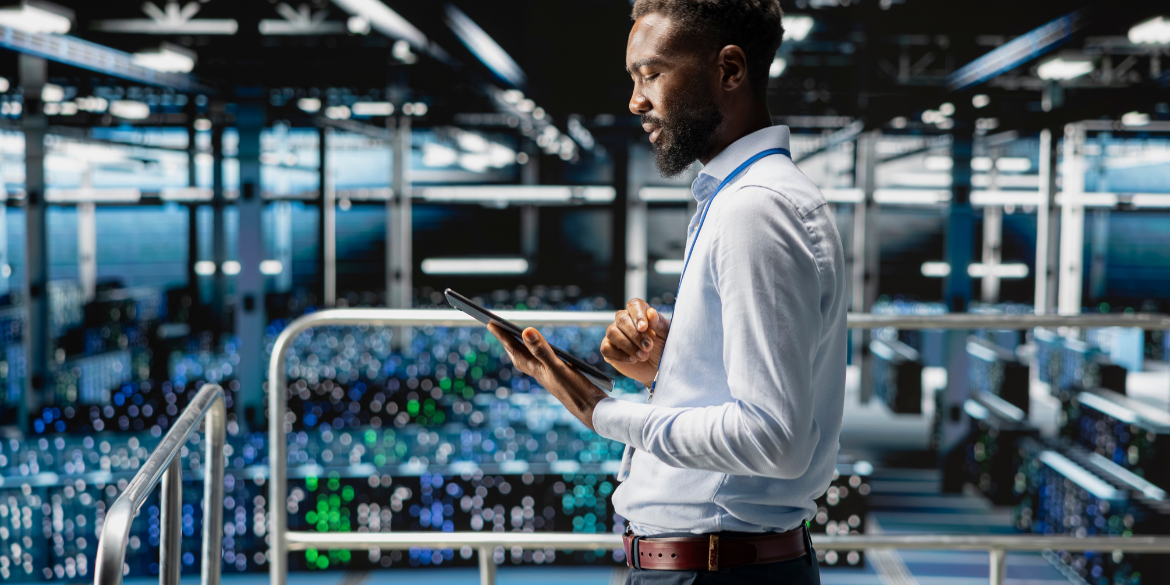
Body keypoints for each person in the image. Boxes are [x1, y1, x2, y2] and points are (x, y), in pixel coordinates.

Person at [487, 0, 847, 582]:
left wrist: (599, 410)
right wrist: (672, 368)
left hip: (716, 569)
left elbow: (773, 440)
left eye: (651, 74)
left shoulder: (755, 209)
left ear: (729, 70)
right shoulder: (743, 197)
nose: (636, 101)